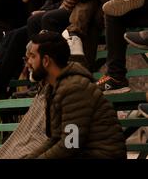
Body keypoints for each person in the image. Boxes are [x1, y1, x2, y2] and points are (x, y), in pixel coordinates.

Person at [26, 31, 126, 159]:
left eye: (33, 57)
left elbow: (71, 144)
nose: (29, 62)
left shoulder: (74, 89)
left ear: (46, 61)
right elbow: (56, 138)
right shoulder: (55, 87)